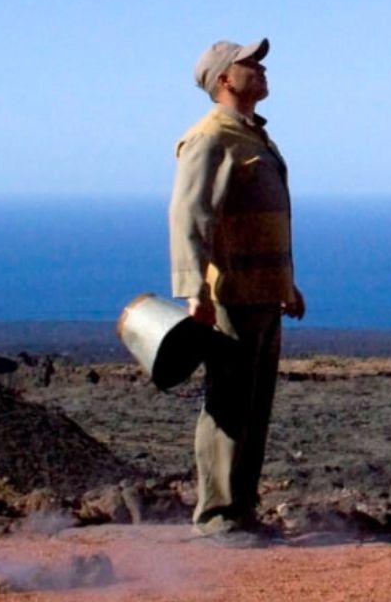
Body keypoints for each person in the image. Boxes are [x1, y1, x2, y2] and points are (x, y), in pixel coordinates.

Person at [168, 37, 306, 536]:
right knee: (228, 405)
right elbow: (189, 215)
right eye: (251, 63)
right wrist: (194, 290)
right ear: (225, 78)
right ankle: (217, 517)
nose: (262, 69)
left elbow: (265, 220)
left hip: (265, 294)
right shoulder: (210, 138)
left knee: (254, 407)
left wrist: (287, 284)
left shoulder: (253, 136)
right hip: (230, 296)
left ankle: (241, 512)